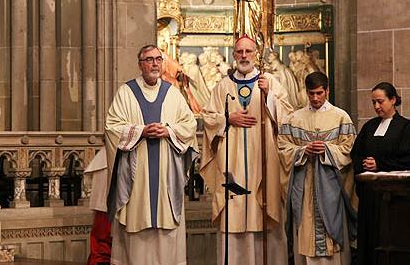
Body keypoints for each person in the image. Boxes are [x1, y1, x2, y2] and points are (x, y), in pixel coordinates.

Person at [200, 36, 293, 265]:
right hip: (231, 164)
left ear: (256, 54)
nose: (243, 56)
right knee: (234, 211)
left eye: (248, 51)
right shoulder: (223, 86)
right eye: (239, 51)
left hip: (263, 161)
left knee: (263, 212)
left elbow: (289, 118)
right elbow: (208, 118)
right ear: (233, 55)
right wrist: (227, 119)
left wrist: (269, 96)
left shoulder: (269, 81)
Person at [102, 44, 198, 264]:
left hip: (166, 173)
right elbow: (111, 127)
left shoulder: (172, 93)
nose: (154, 64)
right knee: (137, 221)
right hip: (137, 177)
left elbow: (189, 125)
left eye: (158, 59)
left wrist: (168, 130)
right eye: (149, 59)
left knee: (166, 223)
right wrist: (141, 131)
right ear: (140, 64)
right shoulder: (126, 92)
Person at [278, 72, 357, 265]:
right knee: (305, 232)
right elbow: (282, 148)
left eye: (319, 93)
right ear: (306, 92)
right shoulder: (293, 119)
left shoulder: (341, 117)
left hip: (331, 189)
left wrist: (327, 150)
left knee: (332, 237)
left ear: (327, 91)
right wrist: (303, 151)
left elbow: (350, 149)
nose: (315, 98)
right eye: (311, 93)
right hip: (304, 188)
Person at [351, 82, 410, 265]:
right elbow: (355, 154)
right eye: (373, 102)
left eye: (380, 101)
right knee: (368, 243)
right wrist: (363, 163)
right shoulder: (369, 127)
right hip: (369, 198)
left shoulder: (406, 128)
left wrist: (380, 165)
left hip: (392, 199)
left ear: (393, 100)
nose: (376, 106)